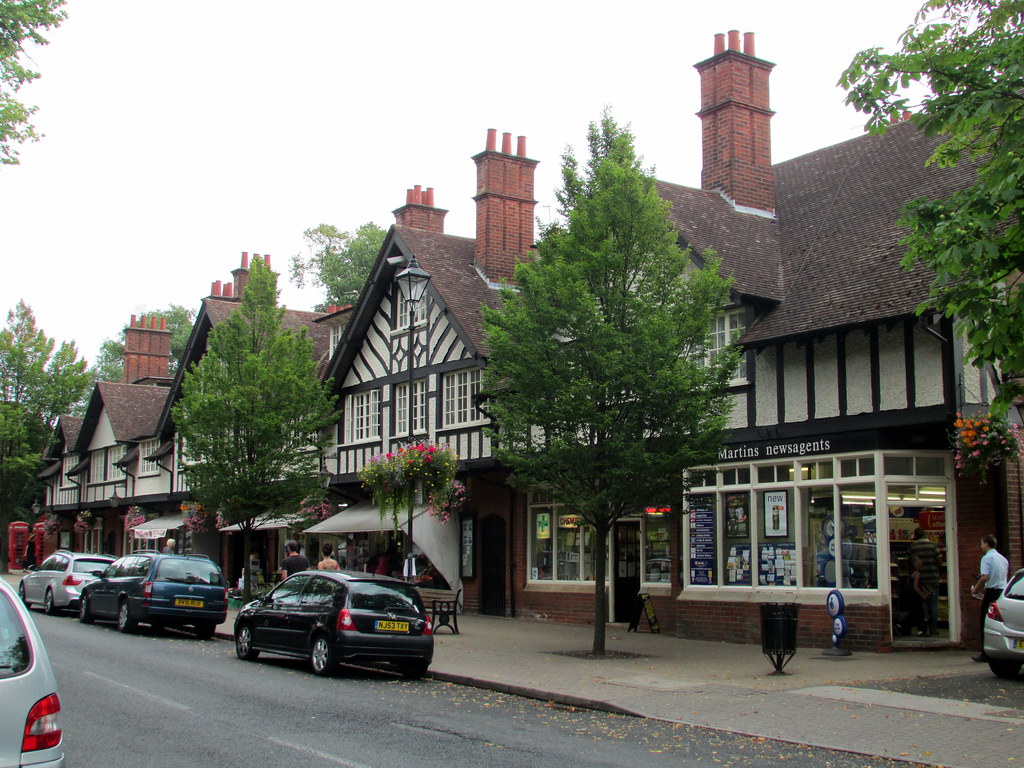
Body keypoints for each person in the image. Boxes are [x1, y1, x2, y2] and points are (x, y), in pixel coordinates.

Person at [971, 533, 1009, 662]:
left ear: (986, 544)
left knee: (985, 621)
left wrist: (976, 588)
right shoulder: (1003, 559)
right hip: (1002, 592)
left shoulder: (986, 558)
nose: (981, 546)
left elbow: (985, 577)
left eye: (982, 543)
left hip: (991, 591)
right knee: (999, 622)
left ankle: (986, 653)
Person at [909, 527, 941, 636]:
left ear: (915, 535)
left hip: (921, 580)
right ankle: (933, 629)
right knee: (933, 604)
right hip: (932, 578)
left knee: (923, 605)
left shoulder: (913, 547)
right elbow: (939, 560)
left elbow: (909, 561)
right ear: (925, 534)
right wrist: (935, 568)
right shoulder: (933, 545)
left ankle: (922, 629)